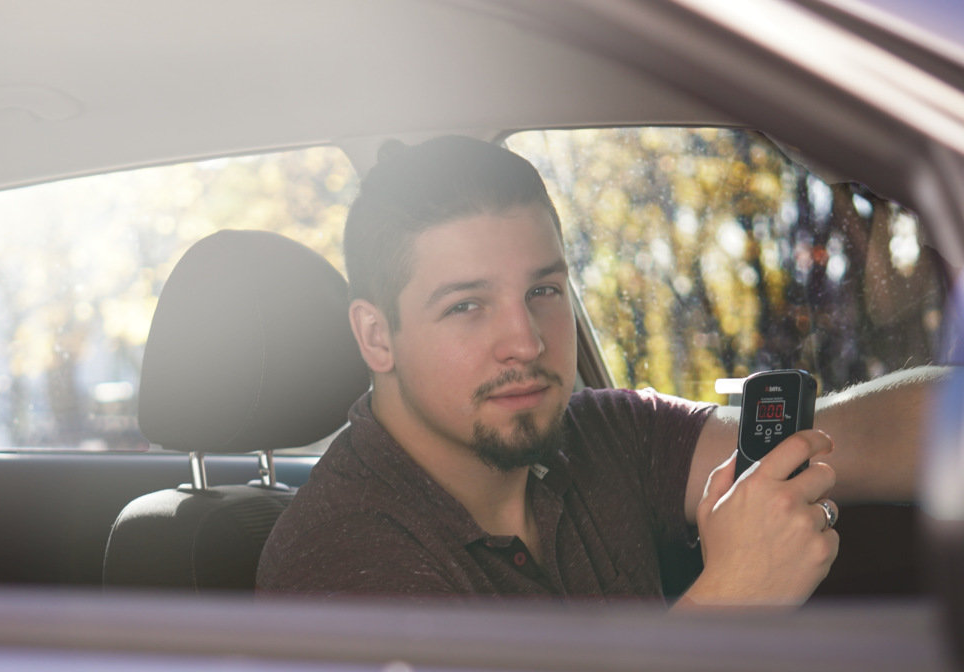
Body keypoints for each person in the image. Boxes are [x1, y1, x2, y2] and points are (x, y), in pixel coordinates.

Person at [257, 135, 937, 607]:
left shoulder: (602, 434)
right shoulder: (337, 559)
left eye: (544, 290)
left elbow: (876, 435)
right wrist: (736, 596)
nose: (525, 340)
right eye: (467, 305)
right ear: (378, 336)